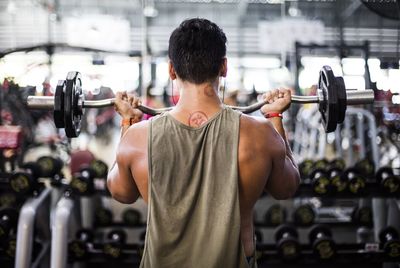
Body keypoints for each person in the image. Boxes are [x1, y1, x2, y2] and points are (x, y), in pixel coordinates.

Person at [107, 18, 300, 268]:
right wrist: (275, 118)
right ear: (224, 67)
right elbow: (286, 188)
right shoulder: (260, 134)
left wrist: (127, 124)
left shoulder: (137, 138)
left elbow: (121, 193)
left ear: (171, 70)